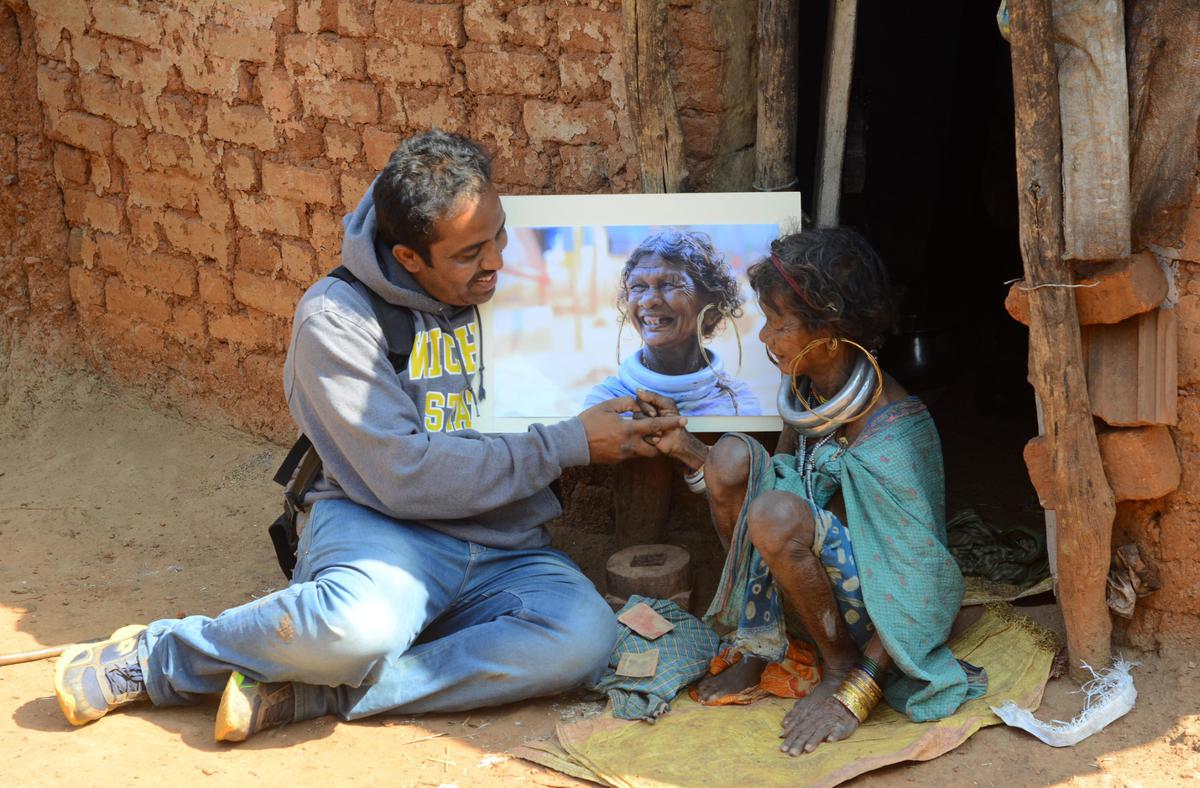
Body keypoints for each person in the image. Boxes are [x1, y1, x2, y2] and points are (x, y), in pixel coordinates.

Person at [53, 131, 685, 742]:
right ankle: (159, 655)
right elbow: (402, 475)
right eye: (469, 253)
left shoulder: (515, 278)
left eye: (498, 236)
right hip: (382, 529)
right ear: (408, 255)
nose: (496, 262)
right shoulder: (336, 320)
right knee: (355, 630)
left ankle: (316, 692)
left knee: (581, 637)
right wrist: (568, 444)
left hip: (504, 543)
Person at [637, 227, 985, 756]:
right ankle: (761, 643)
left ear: (830, 332)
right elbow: (775, 481)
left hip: (880, 608)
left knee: (775, 513)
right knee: (732, 457)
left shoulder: (895, 432)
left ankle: (839, 664)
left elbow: (921, 580)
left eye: (778, 325)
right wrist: (684, 447)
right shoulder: (807, 392)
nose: (764, 339)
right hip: (810, 589)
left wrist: (858, 691)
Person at [583, 230, 761, 416]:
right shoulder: (605, 404)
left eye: (668, 284)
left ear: (712, 309)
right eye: (638, 286)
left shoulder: (738, 405)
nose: (648, 300)